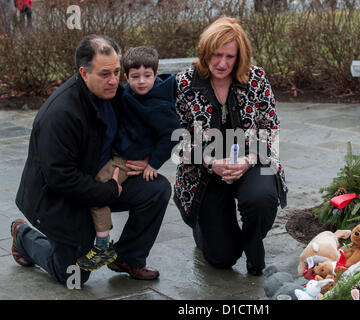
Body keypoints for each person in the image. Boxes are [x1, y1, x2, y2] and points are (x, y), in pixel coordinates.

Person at [12, 35, 171, 286]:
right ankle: (23, 236)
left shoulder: (116, 95)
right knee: (74, 275)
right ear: (84, 73)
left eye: (117, 72)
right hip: (58, 197)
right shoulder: (60, 114)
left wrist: (148, 158)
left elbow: (150, 123)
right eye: (105, 74)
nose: (113, 80)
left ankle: (128, 257)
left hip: (102, 180)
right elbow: (60, 178)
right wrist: (106, 191)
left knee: (157, 188)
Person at [173, 17, 288, 276]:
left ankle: (253, 245)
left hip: (251, 161)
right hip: (204, 172)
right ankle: (205, 226)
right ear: (205, 52)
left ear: (240, 57)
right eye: (216, 55)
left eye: (230, 56)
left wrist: (247, 160)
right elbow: (177, 139)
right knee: (221, 257)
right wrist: (210, 162)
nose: (222, 63)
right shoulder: (184, 82)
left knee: (261, 201)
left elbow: (271, 128)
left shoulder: (256, 78)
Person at [75, 45, 180, 271]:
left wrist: (152, 162)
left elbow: (172, 135)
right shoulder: (127, 93)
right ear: (126, 77)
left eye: (147, 76)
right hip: (115, 152)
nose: (141, 81)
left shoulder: (158, 105)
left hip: (124, 160)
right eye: (135, 76)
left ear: (155, 73)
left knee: (97, 190)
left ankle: (102, 245)